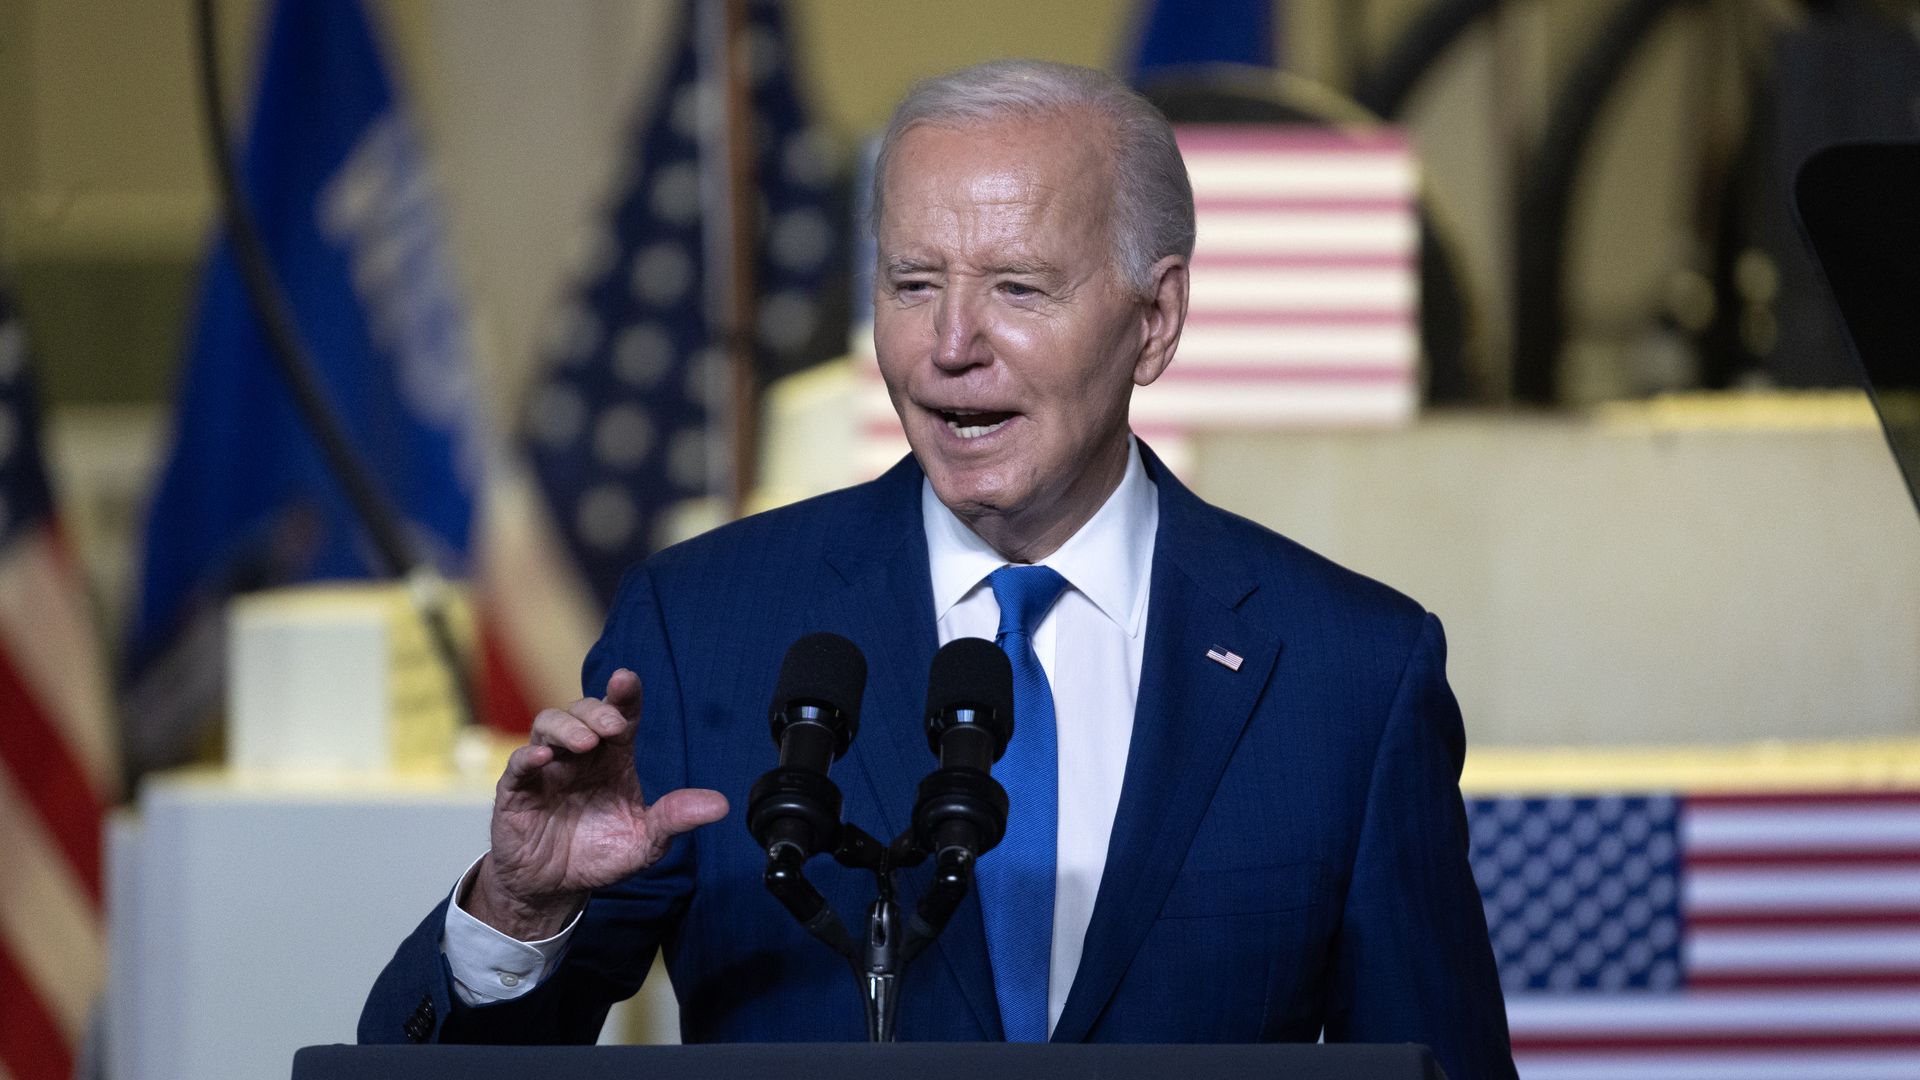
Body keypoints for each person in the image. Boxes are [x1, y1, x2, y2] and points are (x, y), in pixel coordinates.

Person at [363, 59, 1516, 1079]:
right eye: (913, 283)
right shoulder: (702, 627)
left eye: (1018, 288)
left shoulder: (1346, 674)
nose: (950, 344)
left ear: (1156, 319)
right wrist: (522, 908)